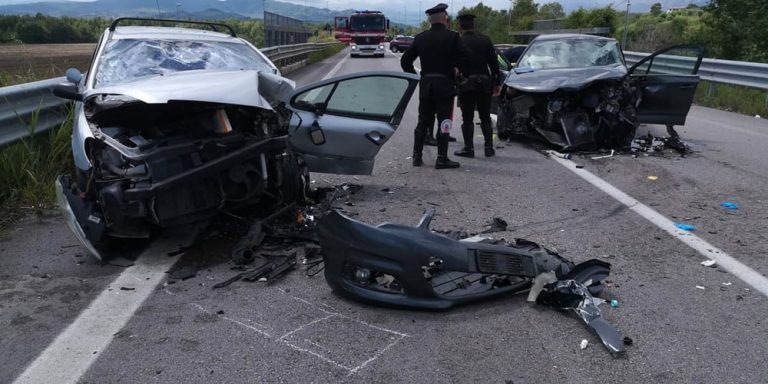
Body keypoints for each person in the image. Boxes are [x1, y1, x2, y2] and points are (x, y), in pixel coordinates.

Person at [401, 3, 471, 169]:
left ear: (430, 21)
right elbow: (467, 57)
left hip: (426, 85)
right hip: (445, 85)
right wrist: (459, 71)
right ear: (445, 19)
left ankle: (417, 157)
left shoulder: (420, 38)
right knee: (444, 121)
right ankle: (441, 158)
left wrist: (416, 77)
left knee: (422, 122)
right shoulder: (453, 37)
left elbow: (405, 61)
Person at [454, 13, 500, 158]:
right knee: (485, 116)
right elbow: (494, 64)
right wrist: (496, 83)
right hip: (485, 83)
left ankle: (469, 149)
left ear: (460, 26)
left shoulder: (458, 41)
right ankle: (489, 148)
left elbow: (454, 63)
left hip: (466, 83)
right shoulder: (485, 40)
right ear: (473, 26)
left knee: (467, 117)